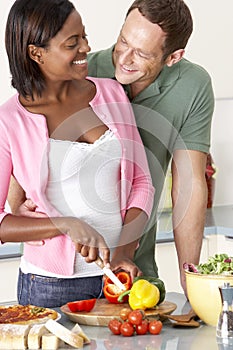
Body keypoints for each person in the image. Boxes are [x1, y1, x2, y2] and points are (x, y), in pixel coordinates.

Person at [8, 0, 215, 297]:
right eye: (122, 42)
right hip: (55, 273)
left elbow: (190, 183)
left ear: (174, 57)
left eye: (142, 53)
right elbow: (25, 134)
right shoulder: (82, 69)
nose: (125, 59)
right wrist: (17, 205)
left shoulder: (192, 86)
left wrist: (191, 282)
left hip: (133, 264)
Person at [0, 0, 154, 308]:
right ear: (36, 53)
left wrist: (124, 252)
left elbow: (141, 182)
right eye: (73, 42)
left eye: (84, 36)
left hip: (116, 282)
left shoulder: (110, 93)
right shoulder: (9, 121)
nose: (86, 47)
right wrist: (65, 224)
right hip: (49, 287)